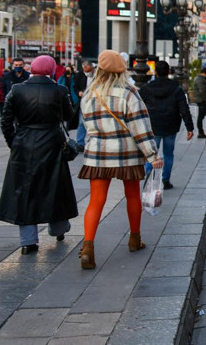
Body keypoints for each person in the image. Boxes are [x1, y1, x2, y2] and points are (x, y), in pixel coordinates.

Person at [77, 50, 163, 270]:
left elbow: (87, 126)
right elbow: (140, 127)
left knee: (96, 200)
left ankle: (88, 247)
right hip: (126, 153)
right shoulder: (129, 93)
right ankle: (135, 239)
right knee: (132, 195)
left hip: (97, 153)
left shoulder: (89, 94)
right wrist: (152, 155)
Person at [0, 55, 78, 254]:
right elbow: (69, 117)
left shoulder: (17, 90)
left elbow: (6, 122)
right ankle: (57, 228)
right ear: (50, 70)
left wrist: (14, 143)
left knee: (24, 191)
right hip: (52, 142)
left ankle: (28, 242)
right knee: (54, 186)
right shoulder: (60, 90)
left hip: (24, 143)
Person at [139, 60, 194, 190]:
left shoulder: (146, 88)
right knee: (168, 154)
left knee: (151, 153)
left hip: (153, 126)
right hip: (170, 126)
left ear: (156, 72)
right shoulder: (176, 88)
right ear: (168, 72)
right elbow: (184, 108)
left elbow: (139, 106)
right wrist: (189, 127)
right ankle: (165, 180)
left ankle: (148, 177)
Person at [74, 60, 94, 149]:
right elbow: (76, 86)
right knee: (81, 122)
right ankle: (80, 143)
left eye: (87, 69)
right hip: (83, 101)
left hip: (93, 101)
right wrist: (78, 92)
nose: (85, 71)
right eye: (84, 69)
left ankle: (91, 141)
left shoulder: (97, 75)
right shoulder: (80, 75)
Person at [57, 65, 80, 129]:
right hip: (65, 97)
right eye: (66, 70)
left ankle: (71, 126)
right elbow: (58, 85)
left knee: (73, 113)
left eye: (69, 70)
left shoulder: (75, 78)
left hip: (74, 98)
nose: (67, 71)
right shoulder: (62, 78)